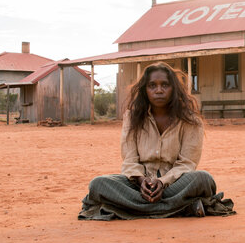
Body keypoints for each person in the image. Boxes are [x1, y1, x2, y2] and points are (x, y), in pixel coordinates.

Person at [79, 62, 234, 220]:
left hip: (175, 184)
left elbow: (187, 163)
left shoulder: (191, 120)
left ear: (173, 88)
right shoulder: (132, 117)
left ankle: (134, 209)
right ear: (145, 90)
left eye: (165, 85)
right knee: (97, 184)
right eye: (152, 85)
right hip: (139, 185)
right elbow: (129, 159)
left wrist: (163, 182)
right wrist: (141, 181)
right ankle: (182, 207)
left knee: (203, 179)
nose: (158, 90)